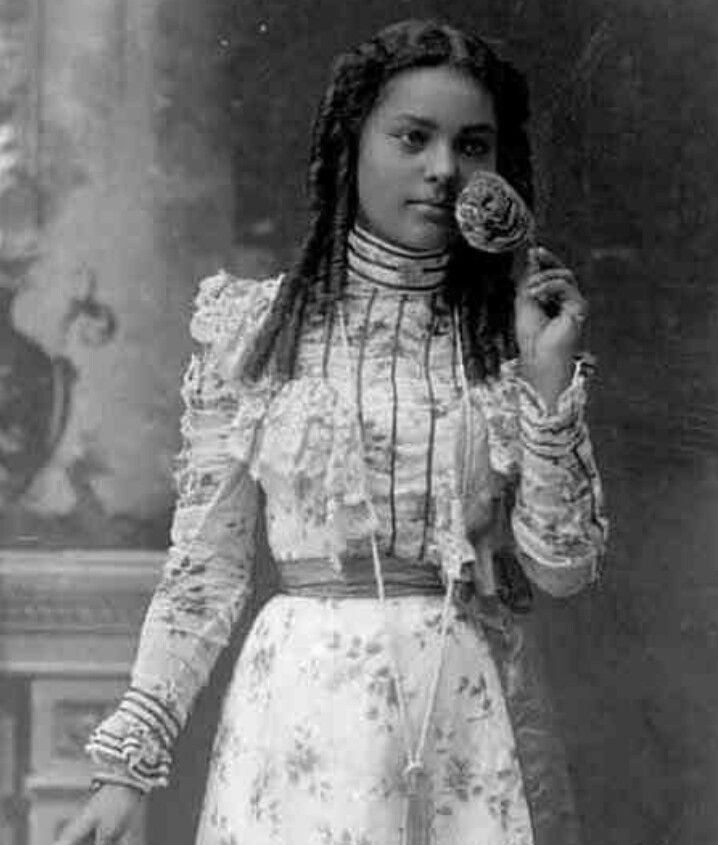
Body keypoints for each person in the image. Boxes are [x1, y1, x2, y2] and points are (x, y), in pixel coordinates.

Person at [54, 18, 607, 845]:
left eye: (474, 145)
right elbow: (203, 572)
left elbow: (563, 568)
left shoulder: (511, 342)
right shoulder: (256, 332)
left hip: (461, 716)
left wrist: (548, 376)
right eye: (413, 138)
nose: (444, 169)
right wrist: (126, 767)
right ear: (353, 145)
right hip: (301, 718)